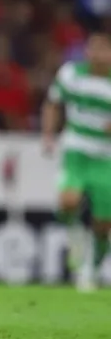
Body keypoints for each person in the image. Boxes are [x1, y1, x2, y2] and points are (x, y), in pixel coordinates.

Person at [43, 31, 111, 292]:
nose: (99, 55)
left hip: (106, 157)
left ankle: (91, 267)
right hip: (76, 149)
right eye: (94, 49)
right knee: (68, 200)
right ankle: (76, 239)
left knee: (103, 224)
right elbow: (53, 102)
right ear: (87, 52)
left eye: (104, 50)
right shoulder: (71, 74)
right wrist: (49, 135)